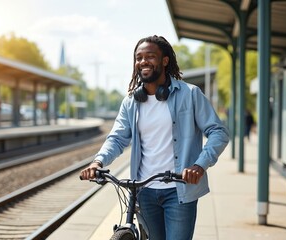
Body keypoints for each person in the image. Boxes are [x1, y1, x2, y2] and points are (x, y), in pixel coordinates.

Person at [80, 35, 229, 240]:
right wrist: (98, 162)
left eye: (150, 56)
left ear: (164, 61)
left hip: (179, 192)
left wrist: (199, 165)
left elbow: (218, 132)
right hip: (144, 192)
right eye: (139, 57)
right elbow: (117, 138)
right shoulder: (131, 102)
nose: (143, 62)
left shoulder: (190, 94)